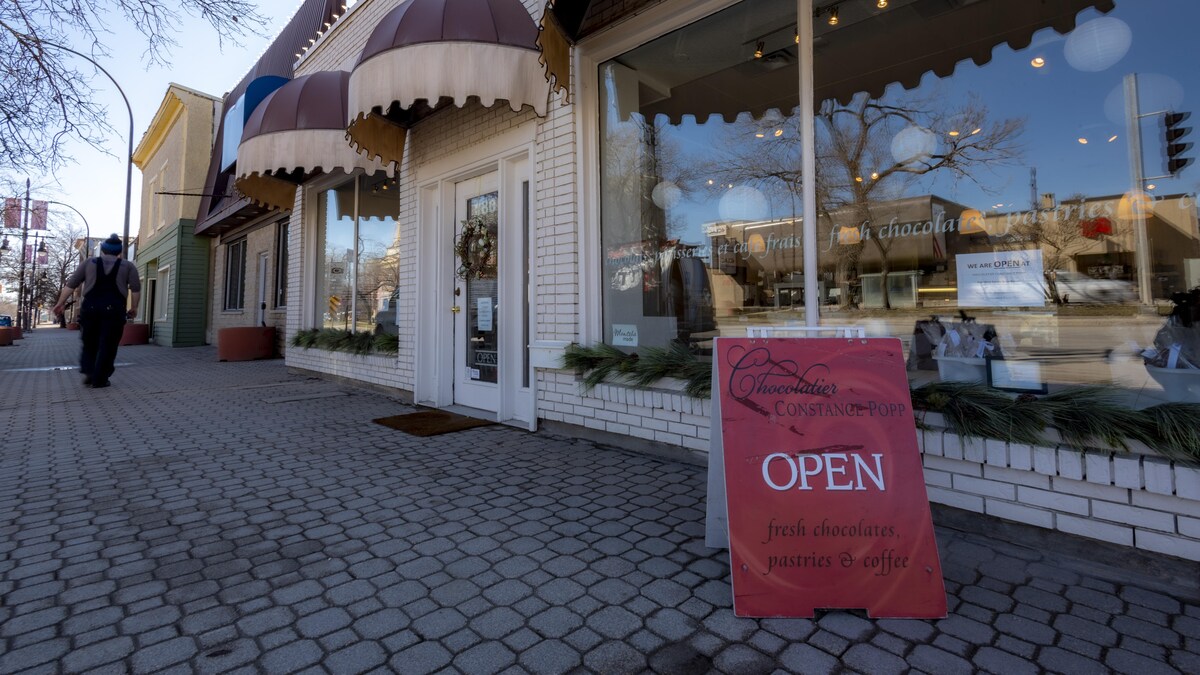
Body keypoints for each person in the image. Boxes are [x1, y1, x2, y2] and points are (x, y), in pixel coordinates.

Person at [52, 234, 141, 388]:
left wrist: (60, 303)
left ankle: (89, 372)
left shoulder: (89, 263)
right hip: (114, 310)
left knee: (89, 341)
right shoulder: (128, 266)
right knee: (108, 344)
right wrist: (134, 307)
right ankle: (100, 378)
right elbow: (135, 289)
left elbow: (71, 284)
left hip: (90, 308)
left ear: (104, 250)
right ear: (119, 252)